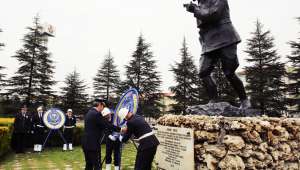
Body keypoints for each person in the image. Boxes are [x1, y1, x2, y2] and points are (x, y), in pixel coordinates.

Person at [184, 0, 251, 109]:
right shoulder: (200, 4)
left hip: (225, 37)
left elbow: (213, 14)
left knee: (229, 72)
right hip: (209, 42)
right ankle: (214, 100)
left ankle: (244, 100)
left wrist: (194, 9)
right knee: (203, 72)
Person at [82, 99, 121, 170]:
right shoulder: (96, 114)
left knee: (89, 164)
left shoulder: (89, 113)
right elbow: (107, 125)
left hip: (85, 143)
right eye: (103, 107)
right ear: (100, 105)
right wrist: (120, 129)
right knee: (97, 165)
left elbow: (101, 126)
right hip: (93, 144)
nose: (103, 109)